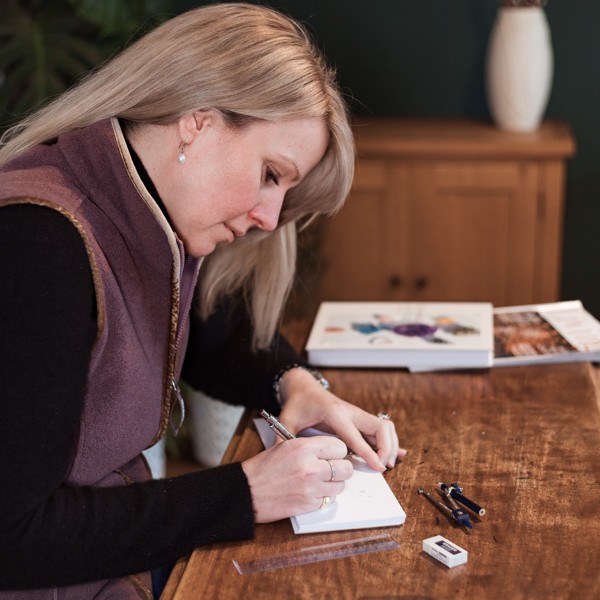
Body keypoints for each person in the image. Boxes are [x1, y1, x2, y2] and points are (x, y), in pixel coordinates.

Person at [0, 3, 406, 598]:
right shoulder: (41, 247)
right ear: (198, 123)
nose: (270, 218)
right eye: (271, 173)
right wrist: (242, 494)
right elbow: (14, 538)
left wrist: (294, 383)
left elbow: (203, 331)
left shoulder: (133, 209)